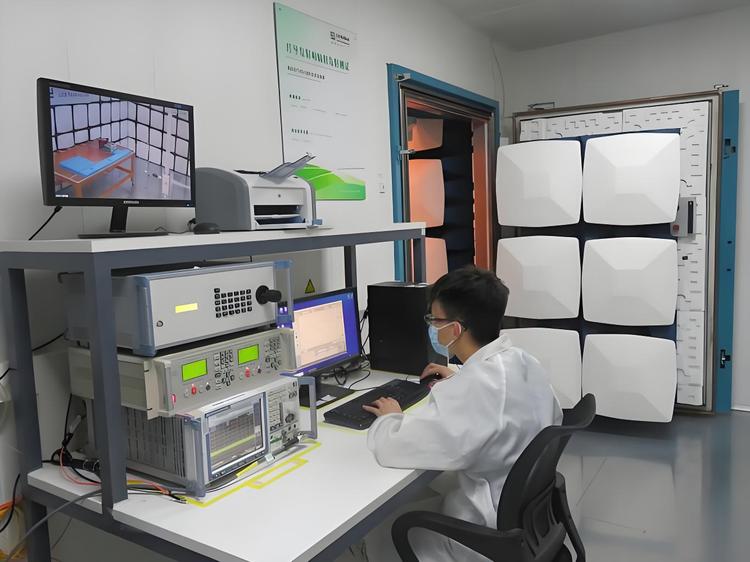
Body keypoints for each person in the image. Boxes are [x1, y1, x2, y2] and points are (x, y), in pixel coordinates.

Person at [363, 265, 563, 561]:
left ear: (455, 330)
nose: (432, 327)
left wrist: (391, 417)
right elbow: (504, 398)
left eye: (434, 320)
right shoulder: (523, 361)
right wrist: (463, 377)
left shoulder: (475, 388)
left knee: (379, 527)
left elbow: (395, 447)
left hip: (483, 533)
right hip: (522, 515)